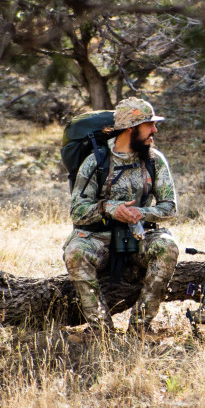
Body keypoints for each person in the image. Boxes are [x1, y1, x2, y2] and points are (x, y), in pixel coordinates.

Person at [63, 97, 179, 335]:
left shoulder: (155, 160)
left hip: (140, 236)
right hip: (99, 237)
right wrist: (108, 208)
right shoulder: (96, 161)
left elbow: (170, 208)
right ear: (131, 128)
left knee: (168, 247)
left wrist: (141, 212)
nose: (155, 130)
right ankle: (101, 331)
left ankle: (140, 327)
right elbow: (77, 211)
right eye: (149, 125)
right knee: (74, 252)